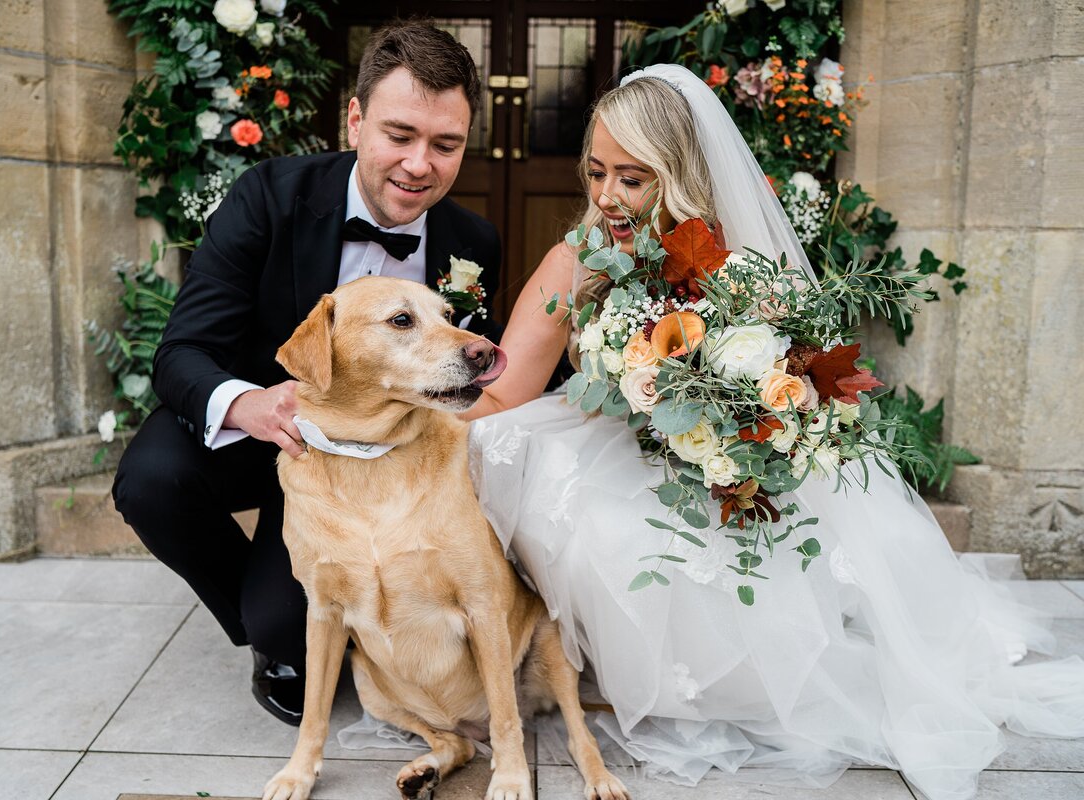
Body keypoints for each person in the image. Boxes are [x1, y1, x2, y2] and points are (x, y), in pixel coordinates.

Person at [460, 65, 1084, 800]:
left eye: (633, 178)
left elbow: (788, 385)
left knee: (774, 565)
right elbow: (505, 393)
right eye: (597, 172)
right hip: (604, 441)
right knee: (574, 506)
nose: (606, 196)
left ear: (680, 173)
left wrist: (740, 433)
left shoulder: (740, 267)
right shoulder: (575, 260)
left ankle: (740, 672)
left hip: (717, 465)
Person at [112, 21, 501, 728]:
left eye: (445, 145)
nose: (420, 165)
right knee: (153, 481)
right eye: (400, 135)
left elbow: (462, 380)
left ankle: (343, 613)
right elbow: (181, 352)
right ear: (354, 120)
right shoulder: (268, 196)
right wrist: (252, 405)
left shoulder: (471, 244)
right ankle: (274, 634)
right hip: (266, 439)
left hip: (376, 466)